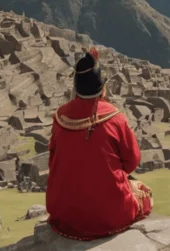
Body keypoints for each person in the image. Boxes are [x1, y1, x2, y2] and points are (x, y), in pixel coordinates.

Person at [45, 47, 152, 241]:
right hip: (109, 215)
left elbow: (53, 161)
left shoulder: (60, 116)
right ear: (102, 87)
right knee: (143, 191)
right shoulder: (115, 118)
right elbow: (132, 161)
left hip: (64, 214)